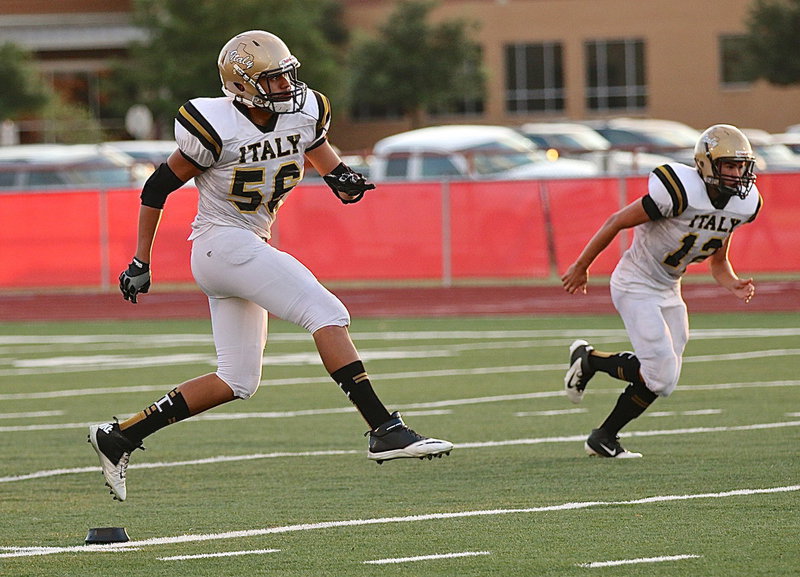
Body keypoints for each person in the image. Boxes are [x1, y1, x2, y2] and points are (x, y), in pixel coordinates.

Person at [88, 30, 452, 501]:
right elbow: (156, 189)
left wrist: (344, 181)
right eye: (274, 80)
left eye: (287, 76)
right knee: (327, 313)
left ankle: (121, 435)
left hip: (240, 246)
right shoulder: (215, 125)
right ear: (242, 85)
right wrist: (141, 258)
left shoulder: (302, 112)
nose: (287, 86)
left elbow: (325, 161)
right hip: (223, 242)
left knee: (237, 380)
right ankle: (384, 428)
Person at [560, 124, 762, 458]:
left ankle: (602, 427)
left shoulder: (740, 206)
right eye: (728, 165)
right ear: (707, 164)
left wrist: (733, 282)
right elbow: (616, 221)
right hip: (635, 281)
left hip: (669, 286)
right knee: (659, 369)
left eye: (741, 166)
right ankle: (593, 376)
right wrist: (582, 266)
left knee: (664, 379)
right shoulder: (679, 191)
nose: (736, 173)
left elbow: (718, 261)